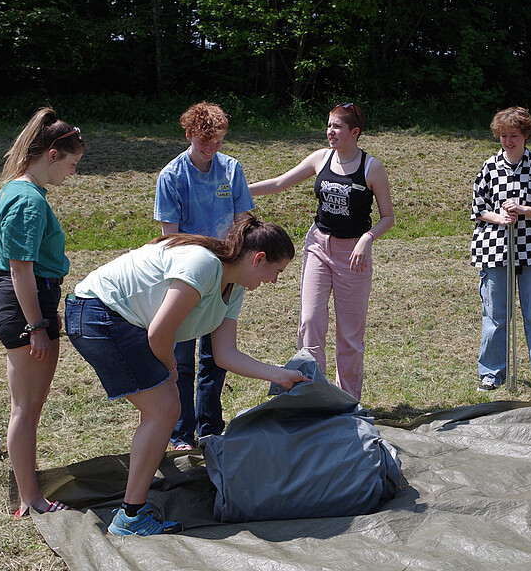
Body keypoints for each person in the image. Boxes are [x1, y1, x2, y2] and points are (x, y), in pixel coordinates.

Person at [64, 212, 310, 536]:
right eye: (276, 271)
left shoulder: (233, 287)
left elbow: (225, 354)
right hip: (96, 312)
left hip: (116, 319)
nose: (275, 281)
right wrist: (169, 369)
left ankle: (132, 508)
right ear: (259, 258)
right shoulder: (204, 265)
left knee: (163, 409)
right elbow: (159, 333)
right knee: (165, 409)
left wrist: (280, 375)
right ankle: (131, 516)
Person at [248, 103, 394, 401]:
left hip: (353, 255)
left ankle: (347, 402)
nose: (330, 131)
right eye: (328, 125)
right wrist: (238, 189)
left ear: (355, 132)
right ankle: (312, 396)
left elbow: (388, 217)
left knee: (350, 336)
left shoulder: (371, 167)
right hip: (318, 246)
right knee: (310, 322)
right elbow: (279, 183)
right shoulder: (320, 158)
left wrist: (367, 238)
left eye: (337, 126)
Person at [0, 108, 84, 516]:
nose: (73, 174)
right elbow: (20, 269)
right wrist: (37, 326)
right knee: (26, 410)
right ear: (53, 155)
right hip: (26, 302)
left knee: (28, 407)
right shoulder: (27, 199)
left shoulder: (21, 191)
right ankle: (31, 498)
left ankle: (29, 490)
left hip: (29, 299)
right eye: (73, 164)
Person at [153, 101, 254, 451]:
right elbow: (169, 237)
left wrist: (235, 264)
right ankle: (181, 434)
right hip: (188, 277)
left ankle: (210, 428)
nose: (211, 150)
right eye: (203, 143)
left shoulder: (231, 170)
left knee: (216, 356)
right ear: (188, 136)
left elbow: (244, 221)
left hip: (226, 275)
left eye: (218, 142)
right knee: (180, 357)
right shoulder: (172, 176)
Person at [470, 106, 531, 392]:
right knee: (495, 316)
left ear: (525, 136)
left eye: (514, 136)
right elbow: (477, 208)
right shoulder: (489, 167)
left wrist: (524, 210)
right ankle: (491, 374)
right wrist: (499, 217)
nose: (508, 141)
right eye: (503, 136)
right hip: (495, 249)